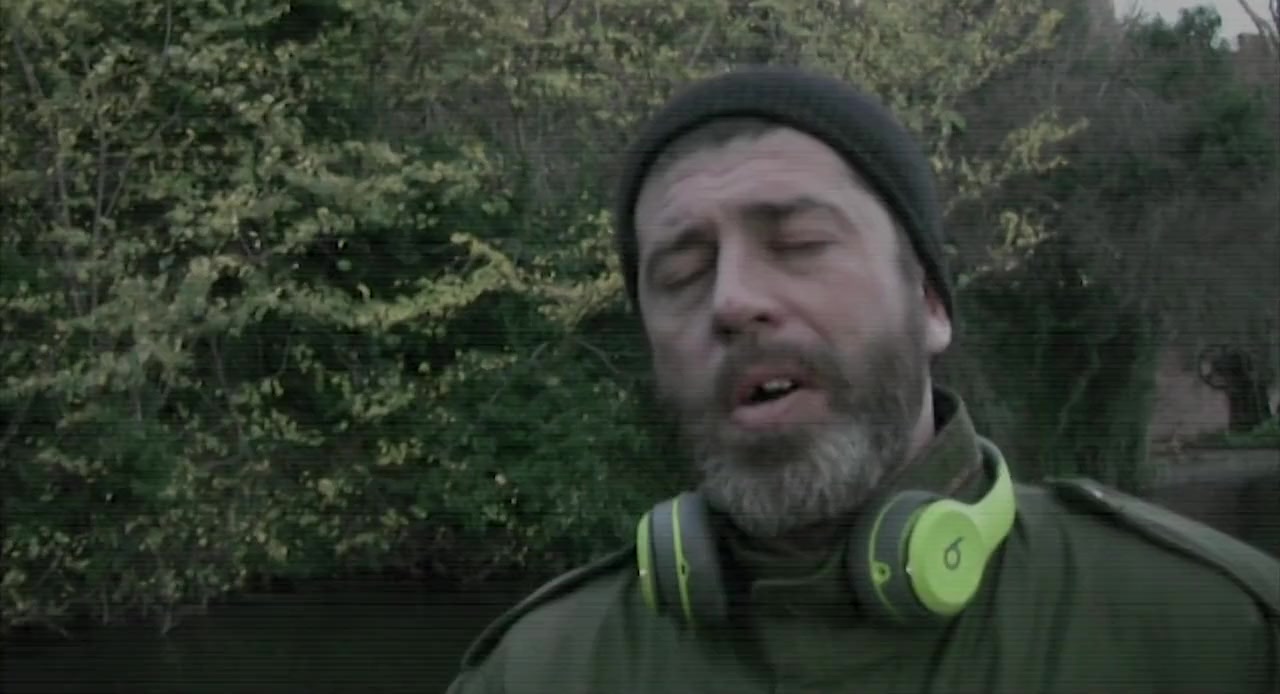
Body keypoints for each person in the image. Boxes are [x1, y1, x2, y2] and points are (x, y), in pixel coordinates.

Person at [445, 66, 1279, 694]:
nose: (731, 301)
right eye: (682, 273)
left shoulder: (1216, 631)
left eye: (799, 243)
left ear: (930, 302)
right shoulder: (536, 672)